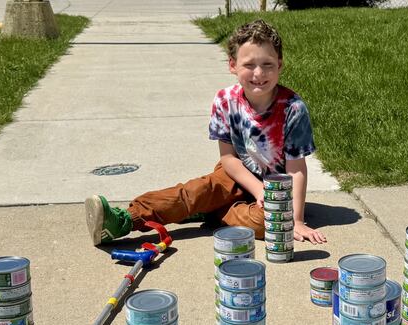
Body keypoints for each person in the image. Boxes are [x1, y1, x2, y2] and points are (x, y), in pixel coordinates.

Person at [84, 18, 327, 246]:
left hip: (277, 191)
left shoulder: (293, 109)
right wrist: (256, 189)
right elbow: (228, 158)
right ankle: (124, 220)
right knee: (194, 192)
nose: (259, 74)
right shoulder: (225, 100)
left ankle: (211, 210)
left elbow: (296, 169)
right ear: (232, 65)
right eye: (249, 65)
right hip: (236, 173)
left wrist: (295, 221)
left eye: (267, 65)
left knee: (274, 225)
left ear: (280, 65)